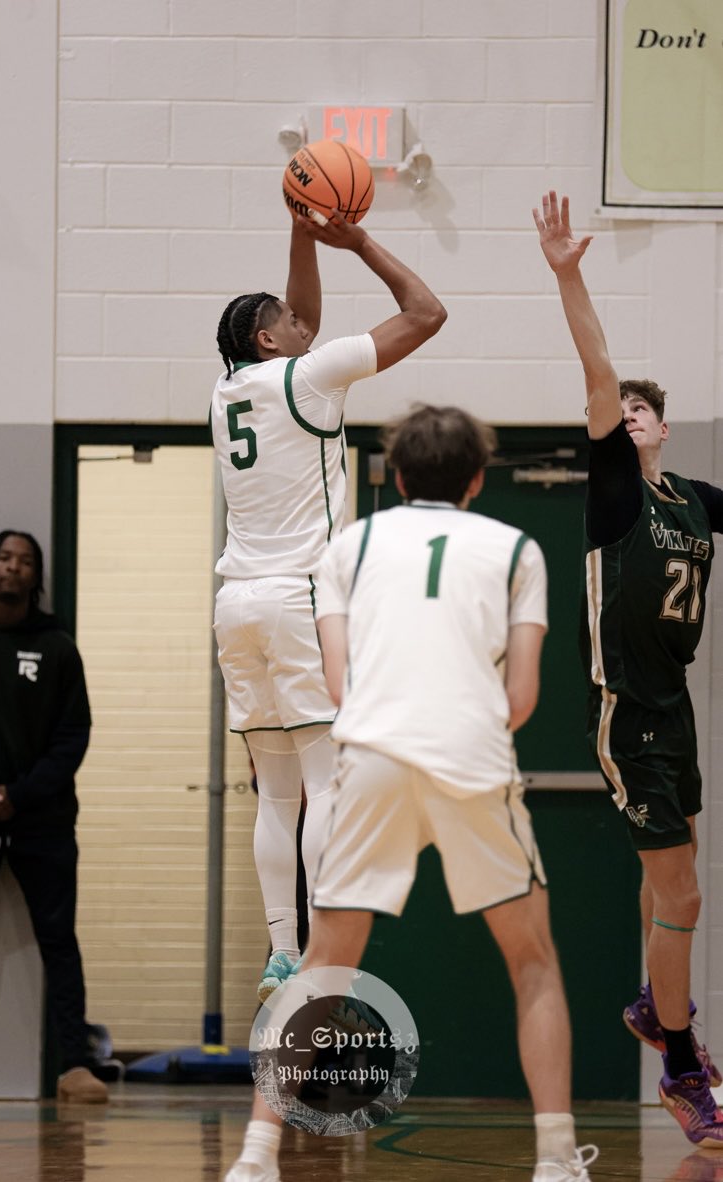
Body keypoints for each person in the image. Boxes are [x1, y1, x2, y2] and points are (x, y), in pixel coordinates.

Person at [224, 403, 599, 1182]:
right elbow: (521, 697)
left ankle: (256, 1157)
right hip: (470, 755)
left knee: (321, 967)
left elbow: (339, 686)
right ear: (476, 479)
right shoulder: (517, 549)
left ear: (395, 477)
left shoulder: (349, 546)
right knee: (532, 962)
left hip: (373, 752)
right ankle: (557, 1160)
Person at [211, 210, 446, 1002]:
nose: (302, 320)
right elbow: (426, 313)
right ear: (269, 339)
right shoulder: (310, 377)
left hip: (236, 601)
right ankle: (318, 952)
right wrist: (359, 244)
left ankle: (281, 952)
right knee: (323, 781)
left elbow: (301, 320)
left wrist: (301, 231)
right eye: (287, 319)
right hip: (298, 596)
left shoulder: (227, 389)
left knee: (276, 795)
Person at [534, 191, 723, 1148]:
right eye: (624, 408)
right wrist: (569, 276)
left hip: (674, 704)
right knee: (684, 893)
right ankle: (681, 1066)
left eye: (647, 408)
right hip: (627, 711)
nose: (632, 413)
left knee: (678, 870)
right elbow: (598, 369)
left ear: (666, 428)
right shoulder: (615, 492)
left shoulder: (693, 499)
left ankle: (657, 1001)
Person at [0, 531, 107, 1104]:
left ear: (36, 577)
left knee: (59, 941)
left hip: (42, 822)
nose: (13, 568)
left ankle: (76, 1066)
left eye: (25, 561)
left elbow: (73, 736)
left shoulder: (57, 648)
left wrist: (20, 795)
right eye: (4, 558)